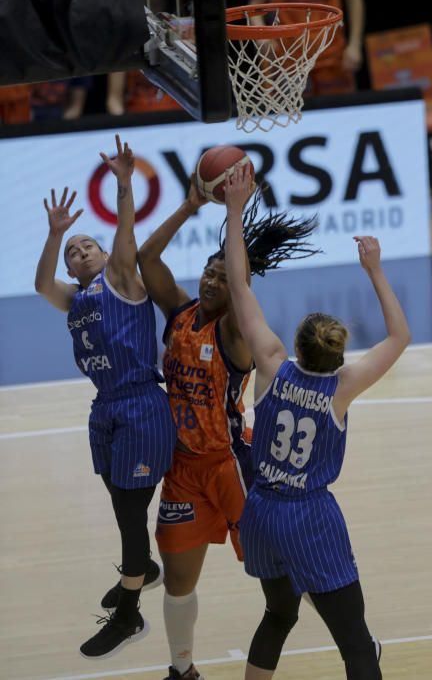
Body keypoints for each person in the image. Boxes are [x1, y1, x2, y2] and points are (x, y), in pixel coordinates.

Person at [110, 177, 318, 680]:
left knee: (284, 573)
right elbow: (147, 260)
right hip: (182, 469)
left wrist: (233, 216)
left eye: (223, 278)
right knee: (180, 578)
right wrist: (187, 205)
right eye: (208, 272)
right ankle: (182, 671)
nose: (210, 281)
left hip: (232, 466)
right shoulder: (181, 315)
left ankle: (350, 630)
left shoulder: (234, 330)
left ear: (236, 287)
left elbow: (239, 283)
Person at [224, 163, 411, 679]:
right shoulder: (342, 388)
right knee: (355, 642)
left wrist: (235, 209)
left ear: (298, 346)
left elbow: (238, 284)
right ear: (336, 357)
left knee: (279, 614)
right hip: (310, 519)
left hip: (260, 510)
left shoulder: (270, 365)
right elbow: (399, 339)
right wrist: (374, 269)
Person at [34, 135, 175, 659]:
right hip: (107, 410)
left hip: (141, 405)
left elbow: (125, 230)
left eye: (84, 244)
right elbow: (42, 282)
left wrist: (122, 183)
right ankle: (143, 570)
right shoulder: (72, 296)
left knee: (129, 514)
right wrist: (55, 234)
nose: (79, 251)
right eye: (74, 252)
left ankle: (129, 614)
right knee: (122, 507)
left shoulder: (122, 277)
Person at [249, 0, 365, 96]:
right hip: (287, 58)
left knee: (341, 110)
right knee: (287, 111)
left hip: (332, 54)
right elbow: (254, 6)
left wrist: (355, 44)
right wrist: (262, 36)